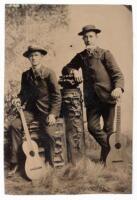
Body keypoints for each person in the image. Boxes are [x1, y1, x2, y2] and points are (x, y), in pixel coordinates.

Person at [62, 25, 124, 164]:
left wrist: (118, 88)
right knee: (92, 127)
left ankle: (106, 160)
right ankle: (112, 149)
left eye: (91, 36)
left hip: (109, 97)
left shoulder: (105, 54)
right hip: (92, 100)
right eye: (85, 37)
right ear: (83, 39)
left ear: (96, 37)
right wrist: (73, 71)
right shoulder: (81, 56)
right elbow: (66, 68)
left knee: (108, 129)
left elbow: (117, 74)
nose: (88, 39)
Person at [8, 46, 61, 176]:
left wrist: (53, 114)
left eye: (36, 55)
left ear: (41, 57)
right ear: (28, 58)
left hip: (46, 112)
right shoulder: (25, 75)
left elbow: (56, 96)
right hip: (30, 111)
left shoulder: (49, 73)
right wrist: (18, 100)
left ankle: (49, 162)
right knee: (14, 125)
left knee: (50, 133)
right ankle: (15, 163)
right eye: (31, 56)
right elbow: (23, 94)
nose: (33, 58)